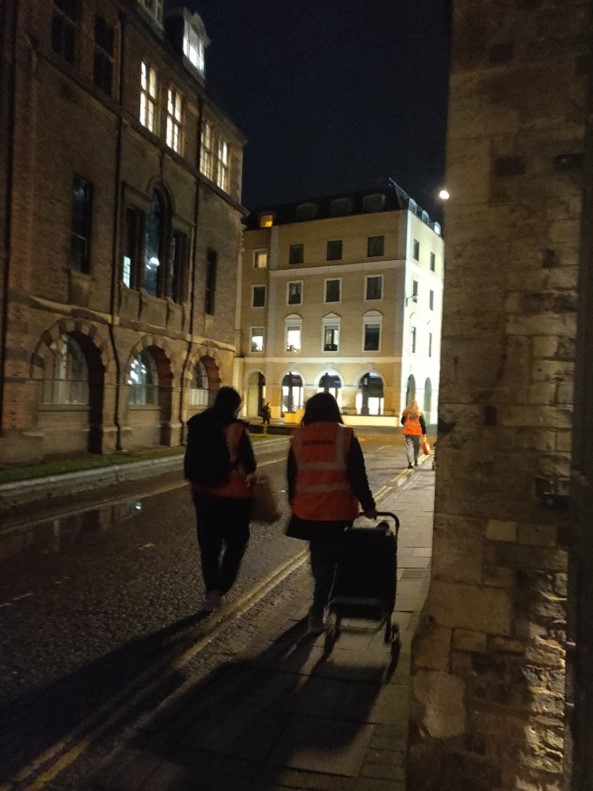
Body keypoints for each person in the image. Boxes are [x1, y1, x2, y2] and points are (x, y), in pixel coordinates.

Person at [286, 392, 377, 634]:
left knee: (319, 558)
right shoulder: (345, 435)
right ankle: (318, 610)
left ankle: (319, 601)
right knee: (330, 561)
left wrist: (293, 503)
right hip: (337, 511)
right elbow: (358, 474)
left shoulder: (299, 437)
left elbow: (291, 476)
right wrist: (368, 505)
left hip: (308, 511)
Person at [185, 387, 256, 613]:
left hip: (203, 494)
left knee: (209, 546)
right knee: (236, 544)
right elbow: (250, 464)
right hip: (233, 496)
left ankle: (210, 592)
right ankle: (221, 588)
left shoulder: (197, 424)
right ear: (235, 406)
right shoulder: (236, 429)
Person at [400, 400, 427, 469]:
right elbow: (423, 424)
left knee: (409, 448)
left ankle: (409, 463)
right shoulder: (419, 413)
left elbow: (402, 422)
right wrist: (424, 433)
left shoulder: (406, 413)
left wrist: (408, 425)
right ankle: (416, 461)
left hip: (408, 432)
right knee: (416, 447)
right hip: (417, 433)